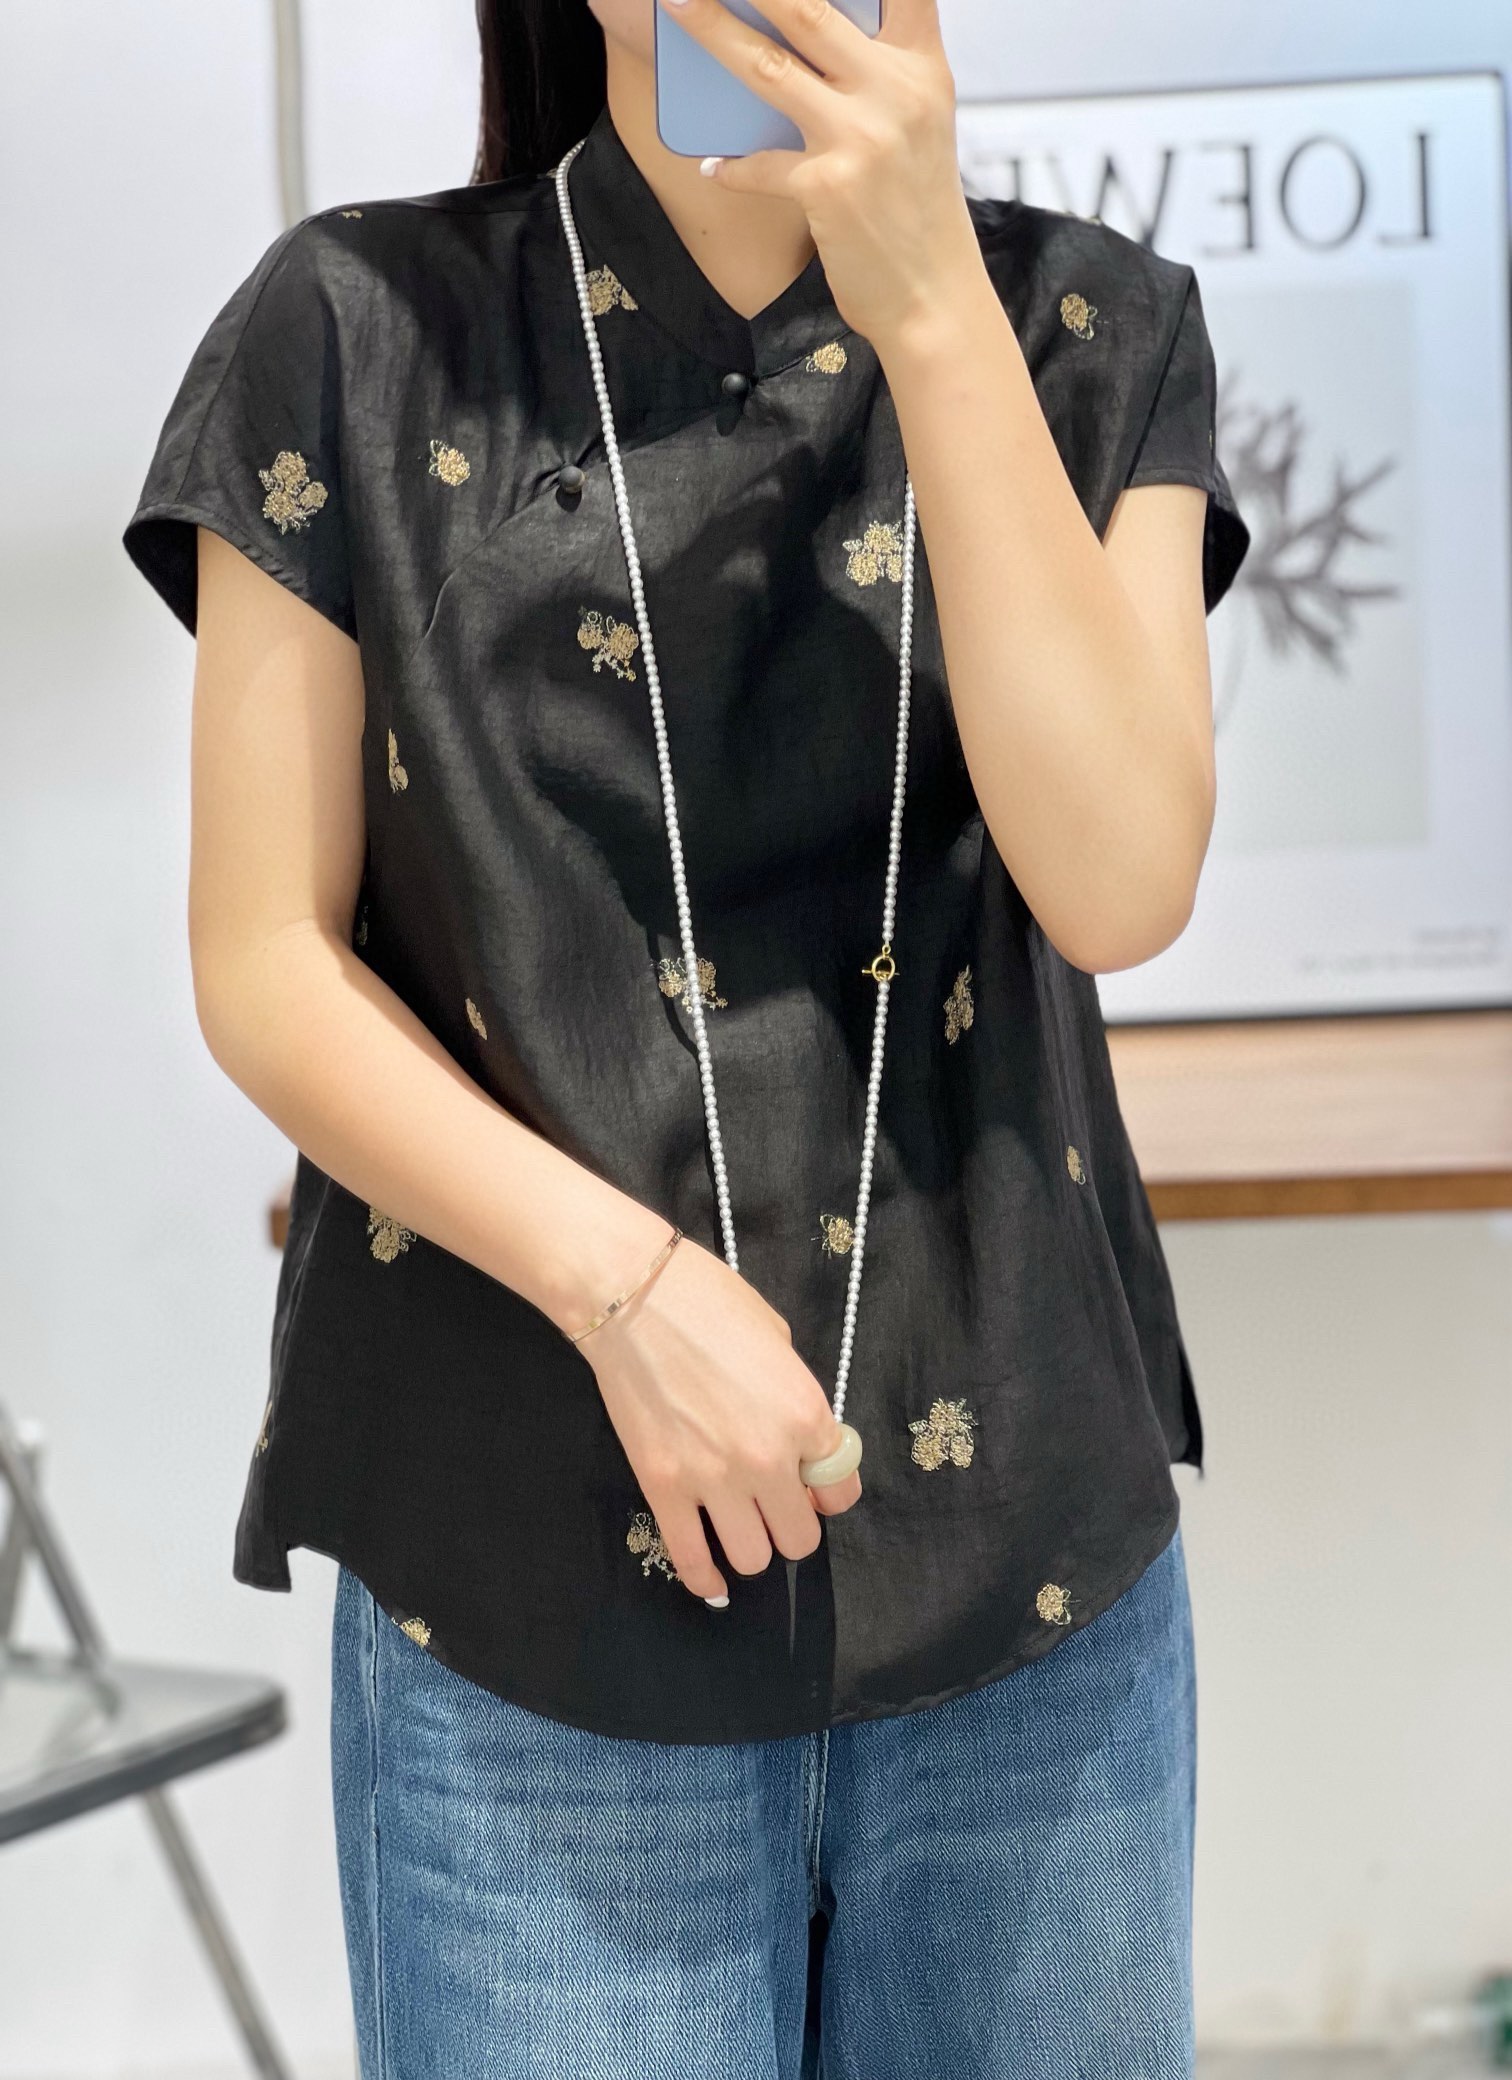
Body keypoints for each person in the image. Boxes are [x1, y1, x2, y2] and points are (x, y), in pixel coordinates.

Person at [122, 0, 1250, 2073]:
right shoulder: (355, 330)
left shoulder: (1089, 326)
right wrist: (626, 1291)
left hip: (1025, 1585)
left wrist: (933, 309)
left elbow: (1119, 882)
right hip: (529, 1593)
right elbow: (264, 958)